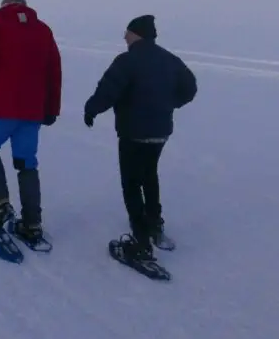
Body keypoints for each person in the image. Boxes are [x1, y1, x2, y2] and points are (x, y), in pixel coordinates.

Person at [83, 14, 197, 264]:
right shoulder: (170, 59)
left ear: (138, 34)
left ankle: (141, 240)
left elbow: (108, 90)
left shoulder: (127, 60)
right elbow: (190, 88)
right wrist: (168, 104)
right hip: (160, 132)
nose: (124, 37)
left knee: (132, 182)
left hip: (133, 132)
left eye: (128, 32)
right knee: (149, 175)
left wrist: (91, 109)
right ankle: (155, 225)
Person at [0, 0, 62, 243]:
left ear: (4, 5)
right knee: (26, 163)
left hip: (1, 109)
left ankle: (1, 202)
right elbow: (54, 74)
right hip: (32, 113)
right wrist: (52, 109)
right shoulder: (43, 31)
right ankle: (32, 222)